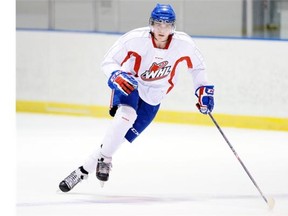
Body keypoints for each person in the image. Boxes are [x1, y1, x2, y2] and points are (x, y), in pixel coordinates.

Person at [59, 3, 214, 192]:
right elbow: (108, 61)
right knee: (126, 116)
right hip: (130, 82)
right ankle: (105, 160)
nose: (161, 29)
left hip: (156, 94)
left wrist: (202, 89)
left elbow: (197, 67)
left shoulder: (184, 44)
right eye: (158, 23)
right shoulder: (134, 39)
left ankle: (83, 171)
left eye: (166, 25)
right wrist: (116, 74)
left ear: (173, 26)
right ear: (151, 23)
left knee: (120, 137)